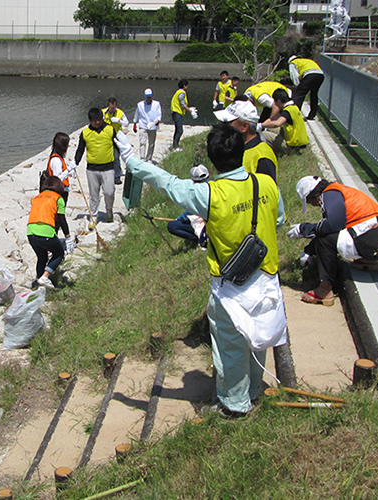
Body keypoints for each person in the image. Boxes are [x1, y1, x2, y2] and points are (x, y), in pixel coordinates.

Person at [120, 123, 287, 418]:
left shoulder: (211, 193)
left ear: (212, 160)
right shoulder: (267, 184)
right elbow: (279, 220)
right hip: (266, 277)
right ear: (242, 150)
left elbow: (167, 182)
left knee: (230, 349)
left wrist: (132, 161)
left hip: (231, 287)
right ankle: (252, 391)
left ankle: (234, 406)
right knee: (257, 340)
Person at [289, 176, 378, 305]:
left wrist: (304, 229)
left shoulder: (329, 195)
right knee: (328, 235)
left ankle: (324, 290)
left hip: (373, 243)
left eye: (309, 202)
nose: (312, 205)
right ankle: (367, 259)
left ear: (313, 195)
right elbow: (333, 228)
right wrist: (310, 250)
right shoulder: (338, 190)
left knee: (325, 241)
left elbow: (332, 226)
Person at [214, 100, 278, 180]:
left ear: (244, 127)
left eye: (227, 123)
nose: (222, 126)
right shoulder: (234, 147)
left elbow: (267, 189)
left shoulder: (262, 157)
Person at [74, 107, 118, 223]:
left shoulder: (110, 130)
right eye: (94, 120)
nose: (97, 122)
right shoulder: (85, 133)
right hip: (92, 169)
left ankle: (109, 210)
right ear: (90, 121)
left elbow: (119, 147)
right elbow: (80, 150)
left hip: (108, 168)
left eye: (99, 119)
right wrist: (74, 163)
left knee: (109, 192)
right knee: (94, 195)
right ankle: (93, 216)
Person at [28, 176, 71, 289]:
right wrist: (68, 236)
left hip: (31, 233)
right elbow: (61, 219)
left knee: (42, 257)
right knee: (59, 253)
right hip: (46, 232)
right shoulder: (58, 198)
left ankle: (39, 282)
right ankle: (45, 277)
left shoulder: (36, 198)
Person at [166, 165, 210, 247]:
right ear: (209, 175)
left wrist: (178, 219)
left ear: (193, 181)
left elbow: (188, 213)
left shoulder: (196, 193)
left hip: (207, 223)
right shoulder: (216, 186)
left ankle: (199, 238)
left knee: (172, 226)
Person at [260, 88, 309, 155]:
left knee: (264, 134)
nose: (274, 103)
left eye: (275, 101)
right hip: (299, 143)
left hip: (292, 147)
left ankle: (267, 153)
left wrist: (262, 126)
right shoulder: (293, 107)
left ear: (279, 101)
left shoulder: (287, 111)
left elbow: (277, 123)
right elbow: (273, 118)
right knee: (270, 128)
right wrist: (261, 124)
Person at [288, 55, 325, 120]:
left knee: (299, 95)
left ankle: (294, 115)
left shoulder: (293, 62)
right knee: (314, 94)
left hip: (309, 75)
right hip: (320, 75)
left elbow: (294, 76)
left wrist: (298, 86)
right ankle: (312, 115)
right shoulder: (307, 60)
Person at [102, 97, 129, 184]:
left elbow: (126, 123)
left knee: (116, 156)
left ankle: (117, 176)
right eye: (111, 108)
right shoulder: (103, 113)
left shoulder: (120, 113)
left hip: (116, 137)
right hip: (105, 137)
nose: (113, 110)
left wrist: (119, 121)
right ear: (108, 106)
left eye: (114, 108)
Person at [132, 88, 162, 163]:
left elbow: (159, 114)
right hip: (143, 124)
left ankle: (149, 158)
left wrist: (157, 121)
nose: (148, 98)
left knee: (151, 143)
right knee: (142, 142)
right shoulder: (140, 105)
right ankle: (142, 158)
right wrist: (135, 124)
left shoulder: (156, 104)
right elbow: (137, 114)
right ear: (145, 97)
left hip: (153, 125)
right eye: (147, 97)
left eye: (150, 97)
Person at [46, 132, 75, 202]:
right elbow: (57, 178)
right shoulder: (56, 160)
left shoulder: (59, 157)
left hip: (62, 191)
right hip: (59, 192)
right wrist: (68, 170)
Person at [170, 79, 197, 151]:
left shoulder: (178, 92)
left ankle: (175, 145)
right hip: (177, 113)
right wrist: (190, 111)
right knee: (180, 130)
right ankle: (175, 147)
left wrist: (189, 108)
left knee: (177, 130)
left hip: (175, 113)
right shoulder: (181, 93)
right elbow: (182, 105)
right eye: (187, 85)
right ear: (184, 86)